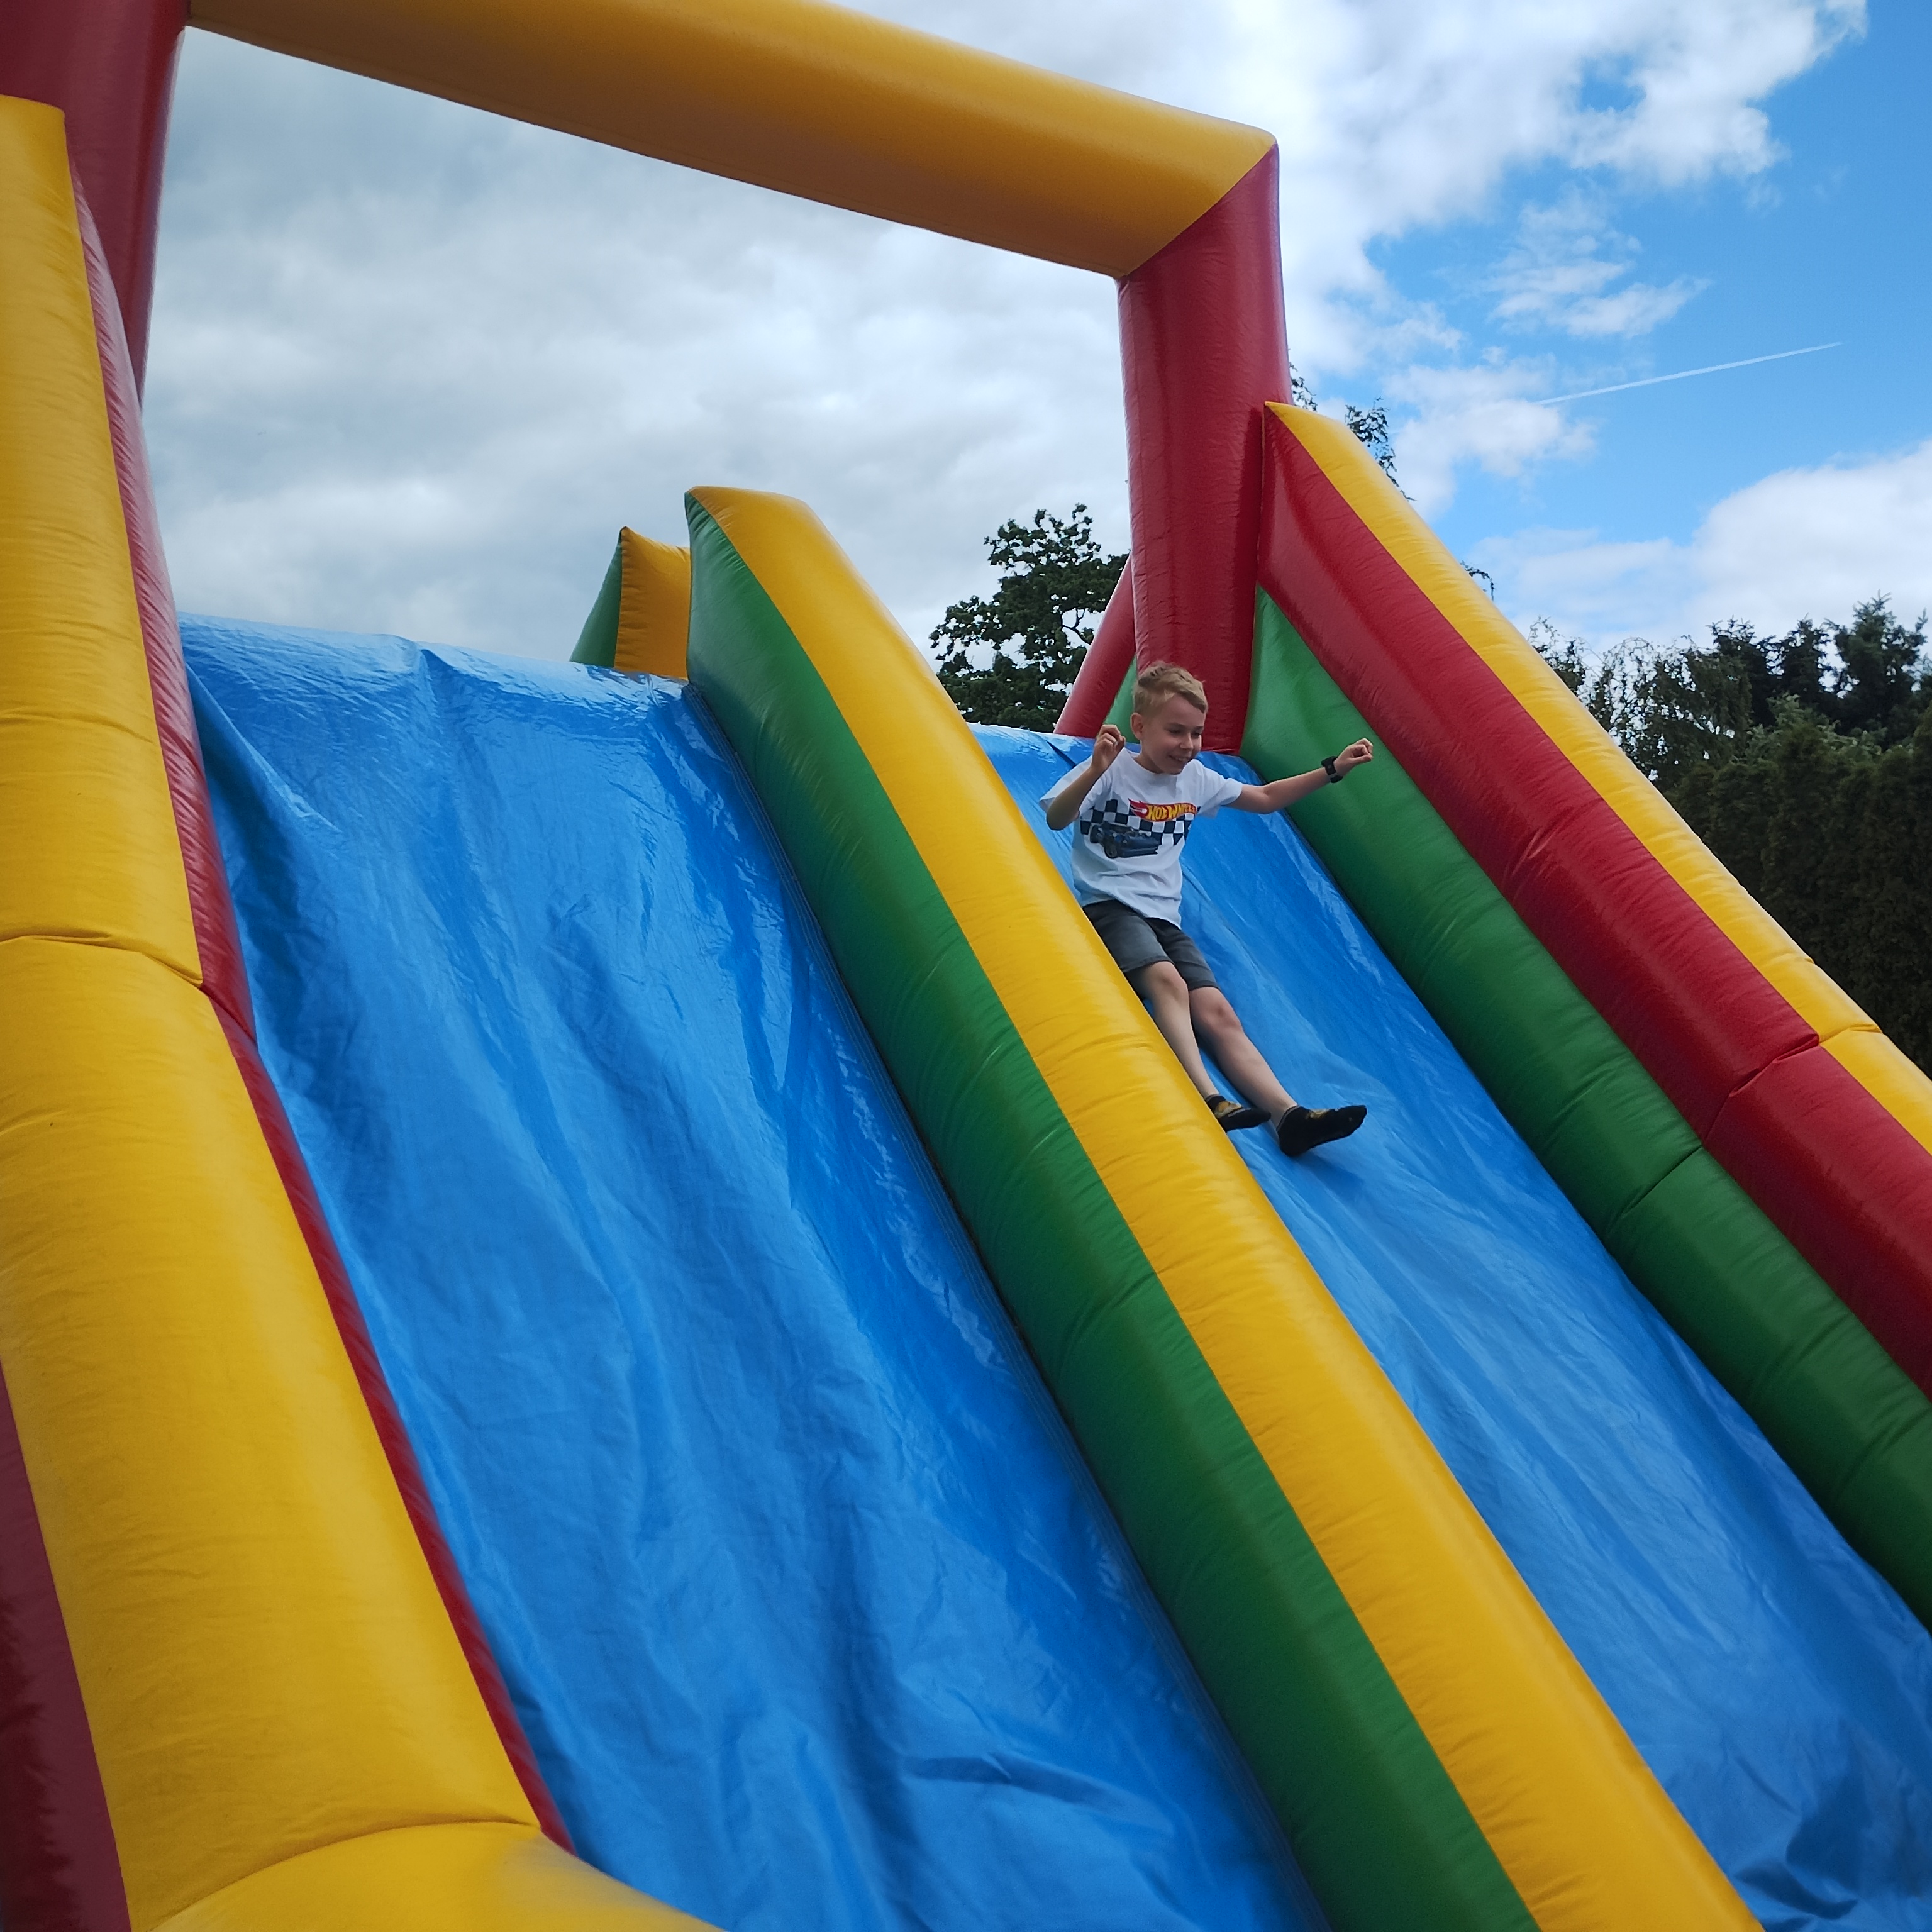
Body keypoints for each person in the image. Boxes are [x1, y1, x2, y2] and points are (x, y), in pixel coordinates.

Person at [1042, 660, 1374, 1157]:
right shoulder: (1114, 772)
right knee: (1168, 982)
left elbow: (1265, 797)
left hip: (1164, 918)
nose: (1188, 744)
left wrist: (1333, 769)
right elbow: (1056, 817)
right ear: (1140, 726)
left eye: (1196, 733)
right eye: (1175, 731)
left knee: (1217, 1011)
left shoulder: (1194, 779)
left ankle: (1288, 1116)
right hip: (1111, 906)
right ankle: (1207, 1097)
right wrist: (1095, 770)